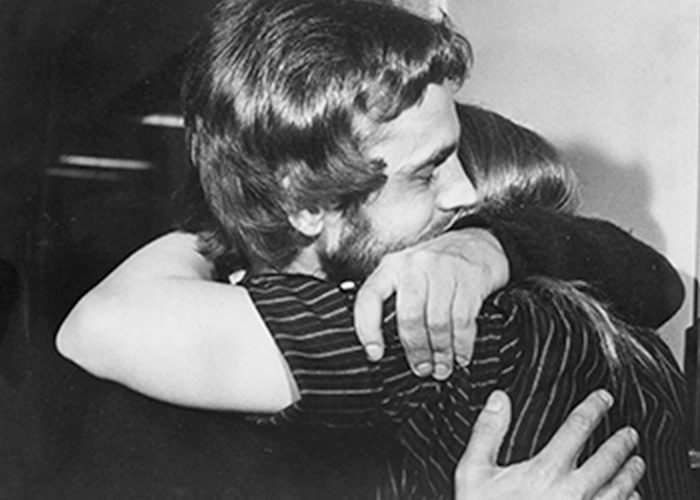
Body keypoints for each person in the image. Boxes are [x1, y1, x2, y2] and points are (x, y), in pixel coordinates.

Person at [55, 0, 689, 498]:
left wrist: (227, 228)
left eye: (453, 158)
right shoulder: (593, 326)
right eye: (428, 170)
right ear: (305, 203)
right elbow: (662, 285)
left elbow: (97, 326)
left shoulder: (423, 327)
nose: (463, 194)